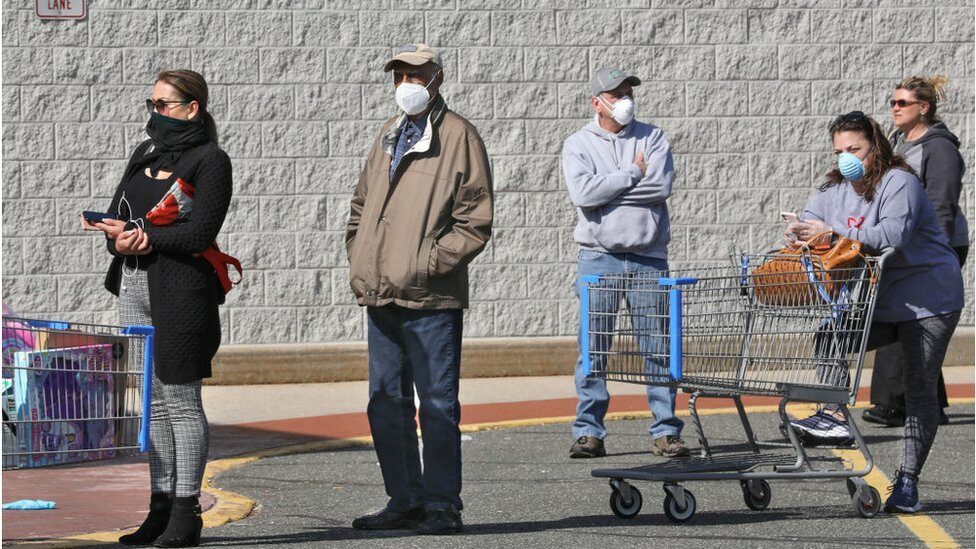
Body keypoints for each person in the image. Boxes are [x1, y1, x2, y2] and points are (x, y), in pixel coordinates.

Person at [345, 43, 493, 535]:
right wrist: (361, 252)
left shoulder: (458, 135)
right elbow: (361, 206)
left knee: (436, 403)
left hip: (430, 295)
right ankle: (404, 500)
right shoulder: (389, 133)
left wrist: (426, 263)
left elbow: (475, 221)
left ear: (437, 78)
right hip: (380, 291)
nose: (406, 83)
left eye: (415, 74)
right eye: (399, 76)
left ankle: (441, 505)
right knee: (385, 400)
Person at [785, 111, 963, 513]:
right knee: (829, 338)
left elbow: (891, 235)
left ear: (875, 147)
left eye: (855, 149)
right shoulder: (834, 188)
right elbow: (813, 218)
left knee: (918, 390)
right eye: (840, 150)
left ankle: (907, 482)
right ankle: (831, 415)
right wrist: (800, 231)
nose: (847, 157)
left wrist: (833, 234)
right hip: (879, 303)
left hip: (929, 298)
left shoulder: (900, 182)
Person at [87, 69, 232, 547]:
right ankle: (160, 507)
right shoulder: (145, 154)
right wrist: (117, 236)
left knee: (181, 401)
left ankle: (187, 513)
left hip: (182, 294)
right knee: (151, 404)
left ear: (192, 108)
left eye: (164, 104)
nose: (156, 114)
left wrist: (146, 237)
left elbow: (199, 234)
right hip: (134, 285)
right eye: (151, 104)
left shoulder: (211, 160)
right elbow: (121, 217)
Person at [562, 67, 688, 460]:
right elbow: (583, 193)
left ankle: (666, 431)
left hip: (648, 257)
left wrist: (610, 191)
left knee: (659, 349)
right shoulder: (579, 144)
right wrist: (633, 172)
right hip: (598, 258)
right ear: (596, 102)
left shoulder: (652, 136)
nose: (624, 100)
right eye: (615, 94)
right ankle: (589, 432)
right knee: (593, 348)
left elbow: (661, 187)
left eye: (627, 91)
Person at [863, 76, 968, 428]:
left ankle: (897, 402)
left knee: (909, 315)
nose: (895, 108)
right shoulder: (898, 141)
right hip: (907, 240)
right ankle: (926, 403)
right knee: (914, 318)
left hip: (937, 244)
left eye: (902, 103)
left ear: (923, 108)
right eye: (893, 102)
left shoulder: (939, 148)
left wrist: (930, 251)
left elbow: (941, 204)